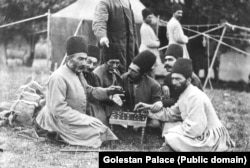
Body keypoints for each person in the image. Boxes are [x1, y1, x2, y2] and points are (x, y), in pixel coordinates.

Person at [35, 36, 123, 148]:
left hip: (73, 119)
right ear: (69, 59)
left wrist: (107, 91)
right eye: (80, 59)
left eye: (85, 59)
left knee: (101, 129)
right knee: (97, 133)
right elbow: (58, 110)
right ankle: (54, 134)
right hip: (58, 122)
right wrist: (85, 119)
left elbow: (89, 91)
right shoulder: (58, 77)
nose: (84, 63)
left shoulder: (78, 72)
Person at [135, 58, 235, 151]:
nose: (174, 82)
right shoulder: (184, 93)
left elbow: (195, 129)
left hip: (210, 138)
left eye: (178, 79)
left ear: (188, 80)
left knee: (171, 135)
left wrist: (173, 131)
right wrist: (148, 110)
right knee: (169, 126)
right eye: (173, 79)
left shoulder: (195, 96)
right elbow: (171, 113)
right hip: (197, 129)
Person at [92, 0, 138, 74]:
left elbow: (133, 26)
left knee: (128, 75)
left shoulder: (127, 2)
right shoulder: (105, 2)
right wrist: (102, 37)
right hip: (113, 49)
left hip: (129, 50)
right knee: (112, 75)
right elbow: (99, 22)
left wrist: (135, 46)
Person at [122, 50, 162, 128]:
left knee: (155, 124)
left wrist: (156, 105)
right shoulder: (124, 77)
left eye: (134, 71)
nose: (129, 72)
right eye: (129, 69)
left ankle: (140, 125)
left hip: (144, 115)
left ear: (143, 74)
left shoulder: (154, 85)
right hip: (127, 113)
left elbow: (157, 103)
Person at [93, 43, 123, 118]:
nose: (115, 66)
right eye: (111, 62)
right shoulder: (97, 74)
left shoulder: (116, 72)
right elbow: (96, 96)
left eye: (117, 63)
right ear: (105, 61)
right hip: (100, 107)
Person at [81, 45, 108, 126]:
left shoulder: (94, 76)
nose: (91, 66)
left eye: (94, 64)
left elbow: (98, 94)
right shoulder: (75, 74)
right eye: (89, 62)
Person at [139, 8, 164, 77]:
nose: (150, 19)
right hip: (146, 51)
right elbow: (149, 43)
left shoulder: (147, 27)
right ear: (144, 18)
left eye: (151, 17)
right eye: (148, 17)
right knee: (149, 72)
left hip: (150, 52)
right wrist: (157, 43)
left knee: (151, 71)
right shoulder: (144, 28)